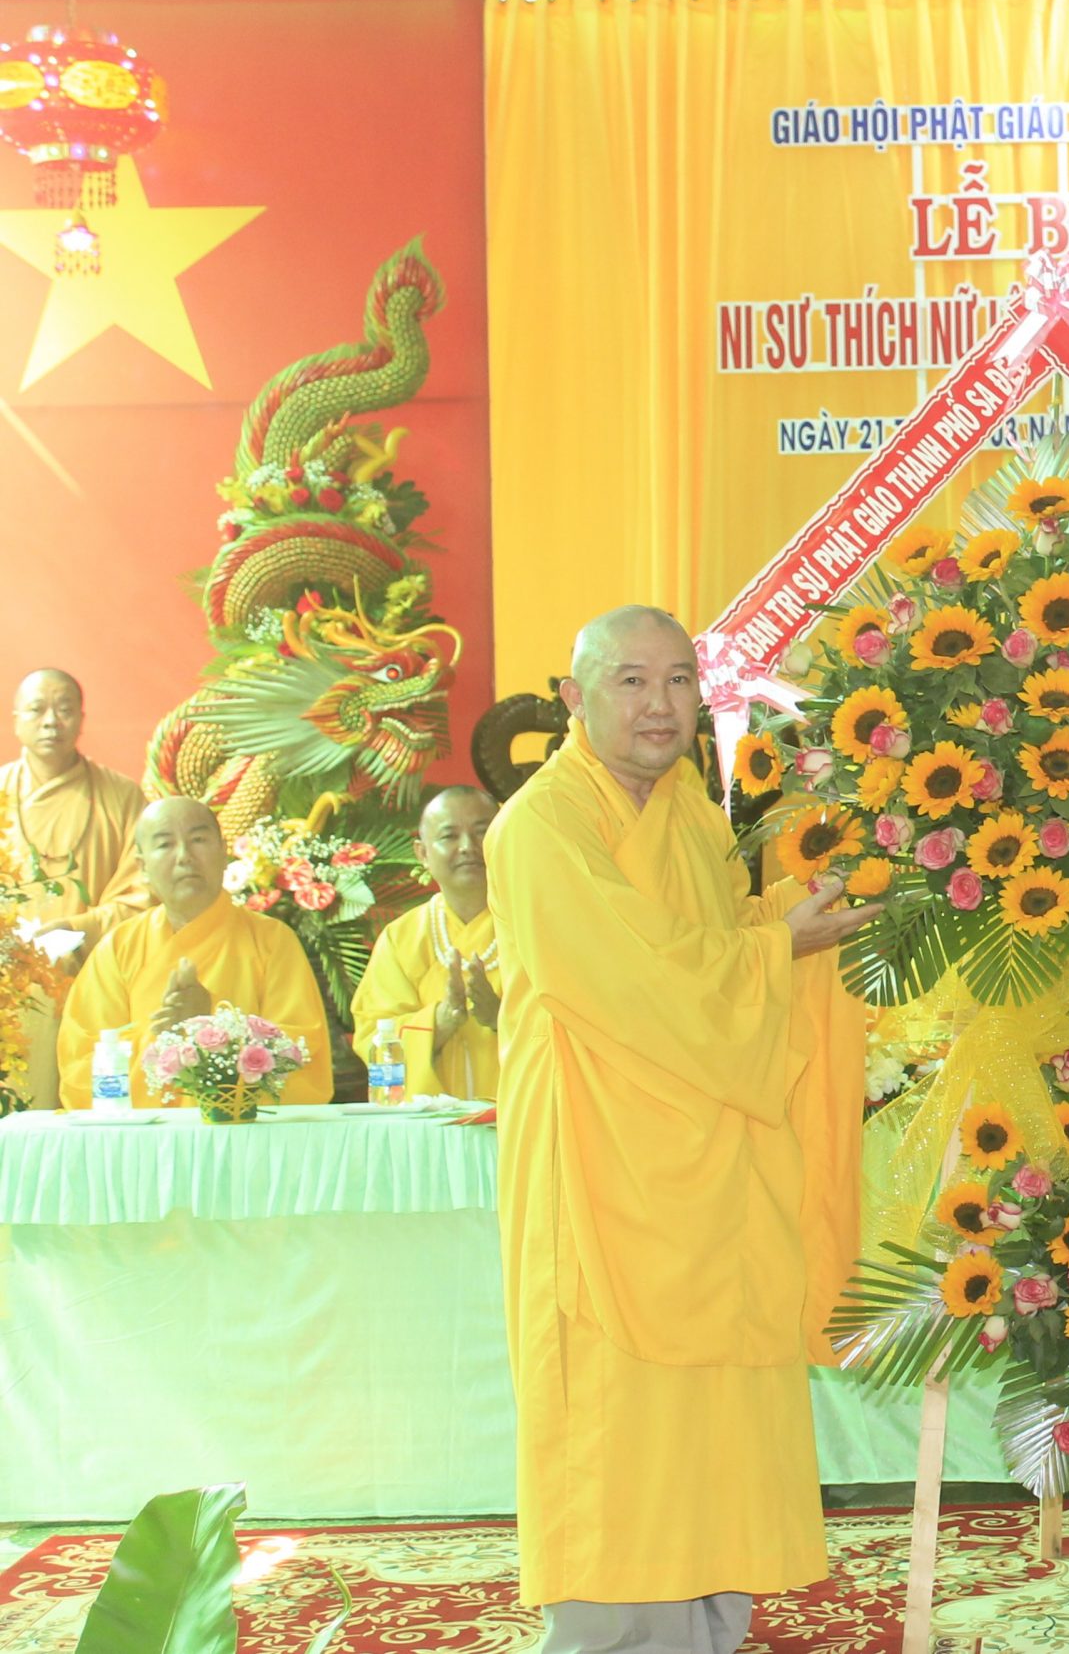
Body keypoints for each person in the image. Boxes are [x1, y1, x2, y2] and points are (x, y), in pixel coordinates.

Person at [486, 605, 872, 1653]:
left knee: (713, 1419)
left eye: (678, 680)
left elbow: (703, 941)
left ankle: (708, 1628)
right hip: (600, 1171)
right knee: (618, 1422)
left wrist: (792, 921)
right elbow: (634, 979)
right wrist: (773, 952)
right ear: (572, 697)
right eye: (630, 681)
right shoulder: (541, 827)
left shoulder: (694, 812)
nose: (659, 705)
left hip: (709, 1176)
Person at [53, 796, 330, 1105]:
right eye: (165, 844)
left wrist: (209, 1027)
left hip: (240, 1131)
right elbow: (81, 1069)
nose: (184, 856)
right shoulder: (117, 949)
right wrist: (169, 1035)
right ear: (142, 867)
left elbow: (302, 1055)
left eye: (198, 840)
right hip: (144, 1135)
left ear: (223, 852)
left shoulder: (272, 942)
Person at [351, 786, 503, 1101]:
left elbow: (578, 1023)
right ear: (422, 854)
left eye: (482, 832)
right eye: (449, 836)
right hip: (428, 1123)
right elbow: (373, 1036)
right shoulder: (401, 938)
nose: (467, 847)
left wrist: (501, 1017)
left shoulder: (534, 927)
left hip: (523, 1118)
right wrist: (441, 1021)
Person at [4, 669, 148, 957]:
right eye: (37, 709)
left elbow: (144, 892)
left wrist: (80, 928)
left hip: (97, 967)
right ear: (16, 721)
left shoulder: (123, 796)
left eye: (64, 710)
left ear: (81, 720)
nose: (51, 721)